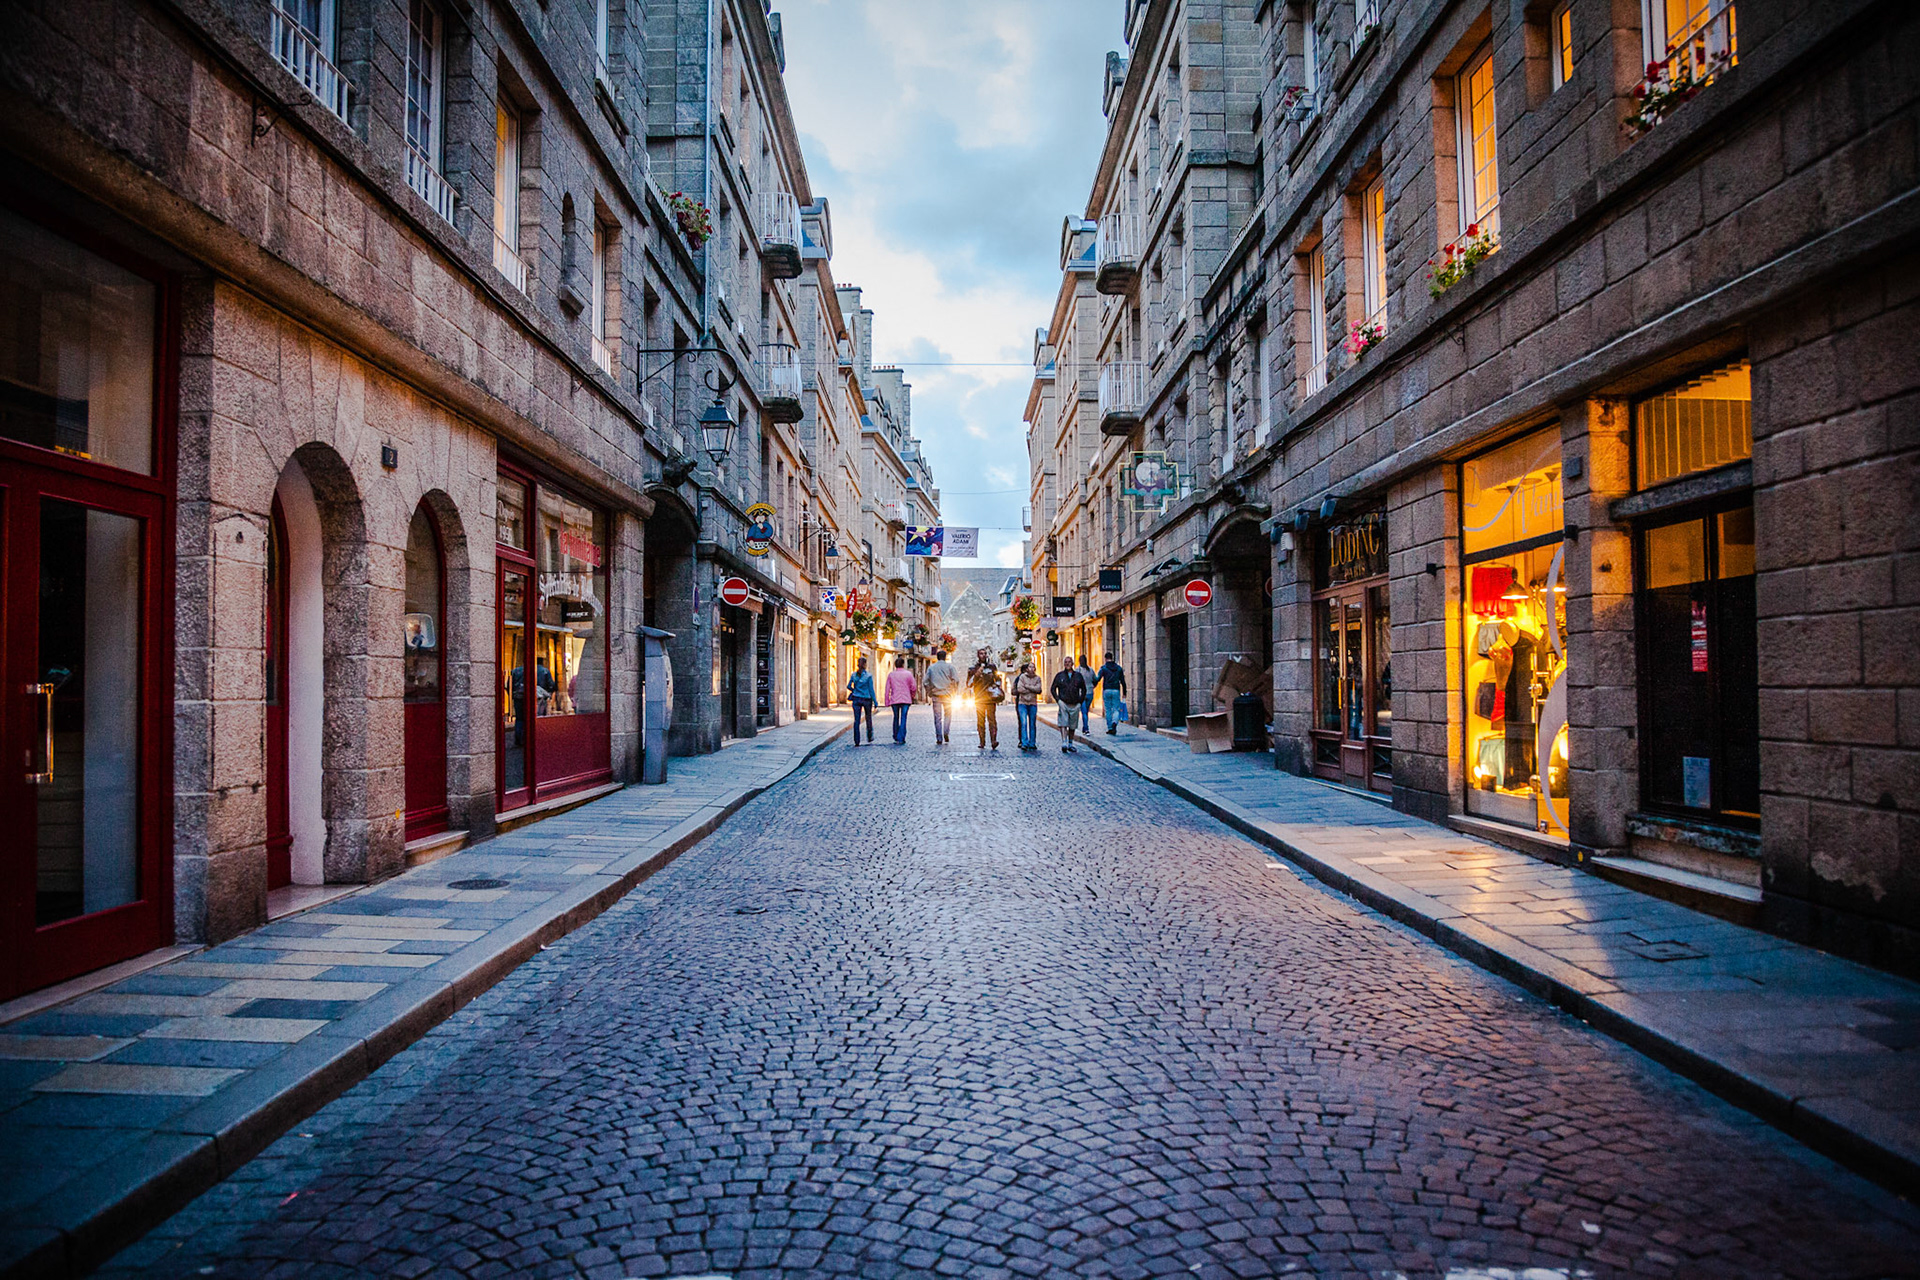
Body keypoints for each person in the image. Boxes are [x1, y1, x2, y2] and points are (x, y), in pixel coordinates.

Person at [965, 648, 1002, 749]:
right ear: (978, 655)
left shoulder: (992, 667)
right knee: (980, 721)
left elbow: (998, 679)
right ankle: (982, 741)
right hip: (979, 698)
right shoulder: (973, 669)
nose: (983, 655)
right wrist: (976, 674)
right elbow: (969, 684)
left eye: (985, 653)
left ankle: (993, 740)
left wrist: (996, 685)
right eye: (981, 653)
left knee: (992, 720)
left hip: (990, 698)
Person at [1050, 660, 1088, 753]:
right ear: (1064, 664)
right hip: (1063, 702)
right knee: (1063, 723)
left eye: (1069, 662)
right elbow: (1053, 688)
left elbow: (1083, 689)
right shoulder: (1060, 676)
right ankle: (1064, 742)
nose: (1067, 664)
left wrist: (1080, 701)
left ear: (1072, 664)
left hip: (1075, 703)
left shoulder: (1078, 676)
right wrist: (1058, 700)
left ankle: (1070, 743)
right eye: (1066, 662)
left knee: (1072, 725)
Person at [924, 648, 960, 744]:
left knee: (937, 717)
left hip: (936, 695)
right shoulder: (950, 667)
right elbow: (956, 680)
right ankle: (946, 732)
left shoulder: (931, 668)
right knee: (948, 715)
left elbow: (925, 682)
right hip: (947, 695)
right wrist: (954, 691)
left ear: (937, 657)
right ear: (945, 657)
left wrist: (929, 692)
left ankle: (939, 737)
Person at [884, 655, 918, 744]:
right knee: (903, 718)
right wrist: (912, 695)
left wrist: (887, 701)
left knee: (895, 717)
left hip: (895, 699)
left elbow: (887, 688)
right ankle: (901, 737)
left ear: (895, 665)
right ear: (903, 665)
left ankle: (895, 735)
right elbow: (913, 687)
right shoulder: (908, 674)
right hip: (906, 700)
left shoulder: (891, 675)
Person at [1011, 662, 1043, 751]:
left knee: (1032, 723)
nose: (1031, 669)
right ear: (1027, 669)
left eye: (1033, 667)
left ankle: (1032, 743)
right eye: (1030, 667)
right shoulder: (1022, 677)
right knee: (1024, 723)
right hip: (1022, 703)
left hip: (1032, 703)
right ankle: (1024, 742)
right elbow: (1020, 689)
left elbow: (1039, 689)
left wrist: (1028, 686)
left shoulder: (1037, 678)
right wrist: (1033, 689)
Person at [1095, 651, 1128, 735]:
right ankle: (1114, 723)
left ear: (1105, 659)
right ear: (1112, 658)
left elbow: (1098, 678)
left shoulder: (1103, 668)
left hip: (1107, 690)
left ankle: (1110, 727)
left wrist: (1092, 684)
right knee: (1116, 709)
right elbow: (1123, 681)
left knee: (1108, 709)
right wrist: (1124, 692)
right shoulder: (1119, 668)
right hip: (1116, 690)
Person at [847, 657, 876, 745]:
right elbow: (871, 690)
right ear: (865, 665)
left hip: (856, 698)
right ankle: (869, 736)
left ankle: (857, 740)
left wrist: (854, 690)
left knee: (857, 720)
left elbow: (848, 686)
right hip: (867, 699)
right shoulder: (868, 676)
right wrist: (875, 701)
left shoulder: (853, 675)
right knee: (868, 718)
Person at [1075, 655, 1097, 734]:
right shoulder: (1090, 670)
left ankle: (1086, 728)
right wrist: (1092, 686)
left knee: (1084, 712)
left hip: (1082, 694)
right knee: (1086, 711)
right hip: (1090, 693)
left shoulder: (1077, 670)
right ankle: (1085, 726)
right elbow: (1095, 680)